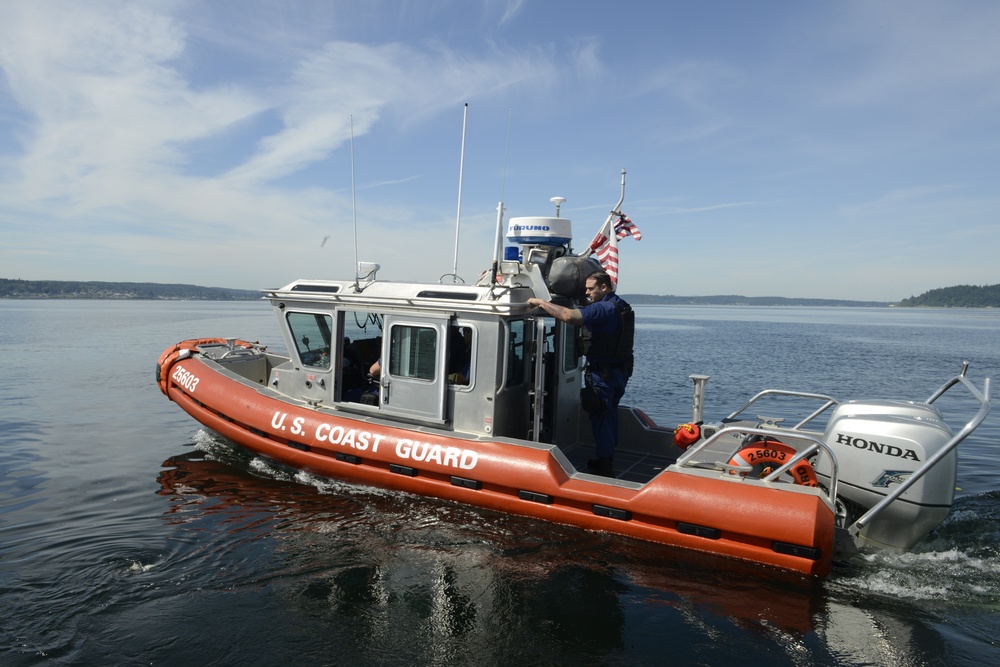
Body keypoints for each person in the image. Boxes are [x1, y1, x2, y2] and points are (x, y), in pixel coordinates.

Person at [527, 270, 634, 477]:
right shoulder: (619, 304)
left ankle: (604, 465)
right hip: (619, 371)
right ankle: (607, 457)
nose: (587, 293)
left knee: (600, 415)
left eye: (590, 289)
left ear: (604, 287)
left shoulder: (603, 308)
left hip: (603, 375)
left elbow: (568, 316)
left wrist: (541, 302)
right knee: (609, 414)